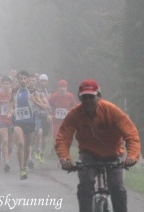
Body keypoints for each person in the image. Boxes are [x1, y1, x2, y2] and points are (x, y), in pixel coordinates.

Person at [55, 79, 141, 212]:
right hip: (88, 155)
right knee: (85, 186)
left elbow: (131, 134)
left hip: (113, 154)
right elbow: (63, 138)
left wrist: (132, 156)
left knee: (117, 186)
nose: (88, 101)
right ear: (80, 98)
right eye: (84, 97)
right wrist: (65, 158)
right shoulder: (75, 114)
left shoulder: (111, 110)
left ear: (99, 96)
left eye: (91, 97)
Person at [10, 70, 47, 180]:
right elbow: (10, 103)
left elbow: (44, 106)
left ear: (27, 80)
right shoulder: (14, 91)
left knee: (27, 147)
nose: (23, 81)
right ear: (18, 80)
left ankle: (25, 166)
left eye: (25, 78)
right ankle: (21, 168)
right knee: (20, 143)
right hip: (18, 122)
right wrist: (10, 111)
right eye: (20, 79)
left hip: (30, 123)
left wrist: (35, 101)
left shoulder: (34, 92)